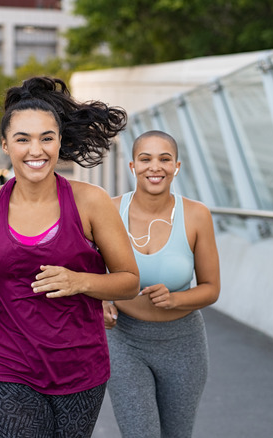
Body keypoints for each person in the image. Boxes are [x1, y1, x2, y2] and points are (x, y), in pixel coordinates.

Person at [0, 76, 140, 437]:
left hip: (79, 365)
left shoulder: (91, 202)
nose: (35, 150)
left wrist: (79, 281)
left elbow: (129, 281)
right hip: (2, 361)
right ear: (5, 144)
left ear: (59, 142)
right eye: (22, 139)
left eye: (46, 138)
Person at [103, 130, 221, 438]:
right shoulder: (109, 210)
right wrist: (101, 301)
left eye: (164, 159)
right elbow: (89, 271)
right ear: (132, 167)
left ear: (176, 167)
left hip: (184, 344)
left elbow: (211, 288)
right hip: (124, 341)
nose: (155, 167)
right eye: (145, 159)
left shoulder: (196, 215)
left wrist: (175, 300)